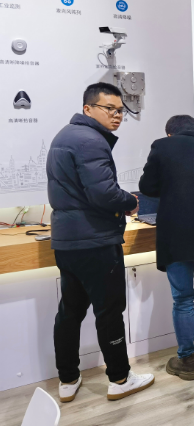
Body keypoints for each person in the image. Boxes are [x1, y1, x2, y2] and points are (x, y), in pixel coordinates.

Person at [47, 82, 154, 403]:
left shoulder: (64, 136)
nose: (117, 115)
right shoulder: (91, 140)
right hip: (95, 240)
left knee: (70, 311)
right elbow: (103, 193)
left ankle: (68, 378)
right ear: (88, 108)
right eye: (109, 109)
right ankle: (120, 378)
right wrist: (130, 201)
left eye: (120, 110)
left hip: (67, 241)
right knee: (109, 311)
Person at [139, 115, 194, 380]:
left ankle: (187, 360)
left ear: (170, 133)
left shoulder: (161, 146)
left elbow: (147, 187)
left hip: (175, 232)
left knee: (182, 298)